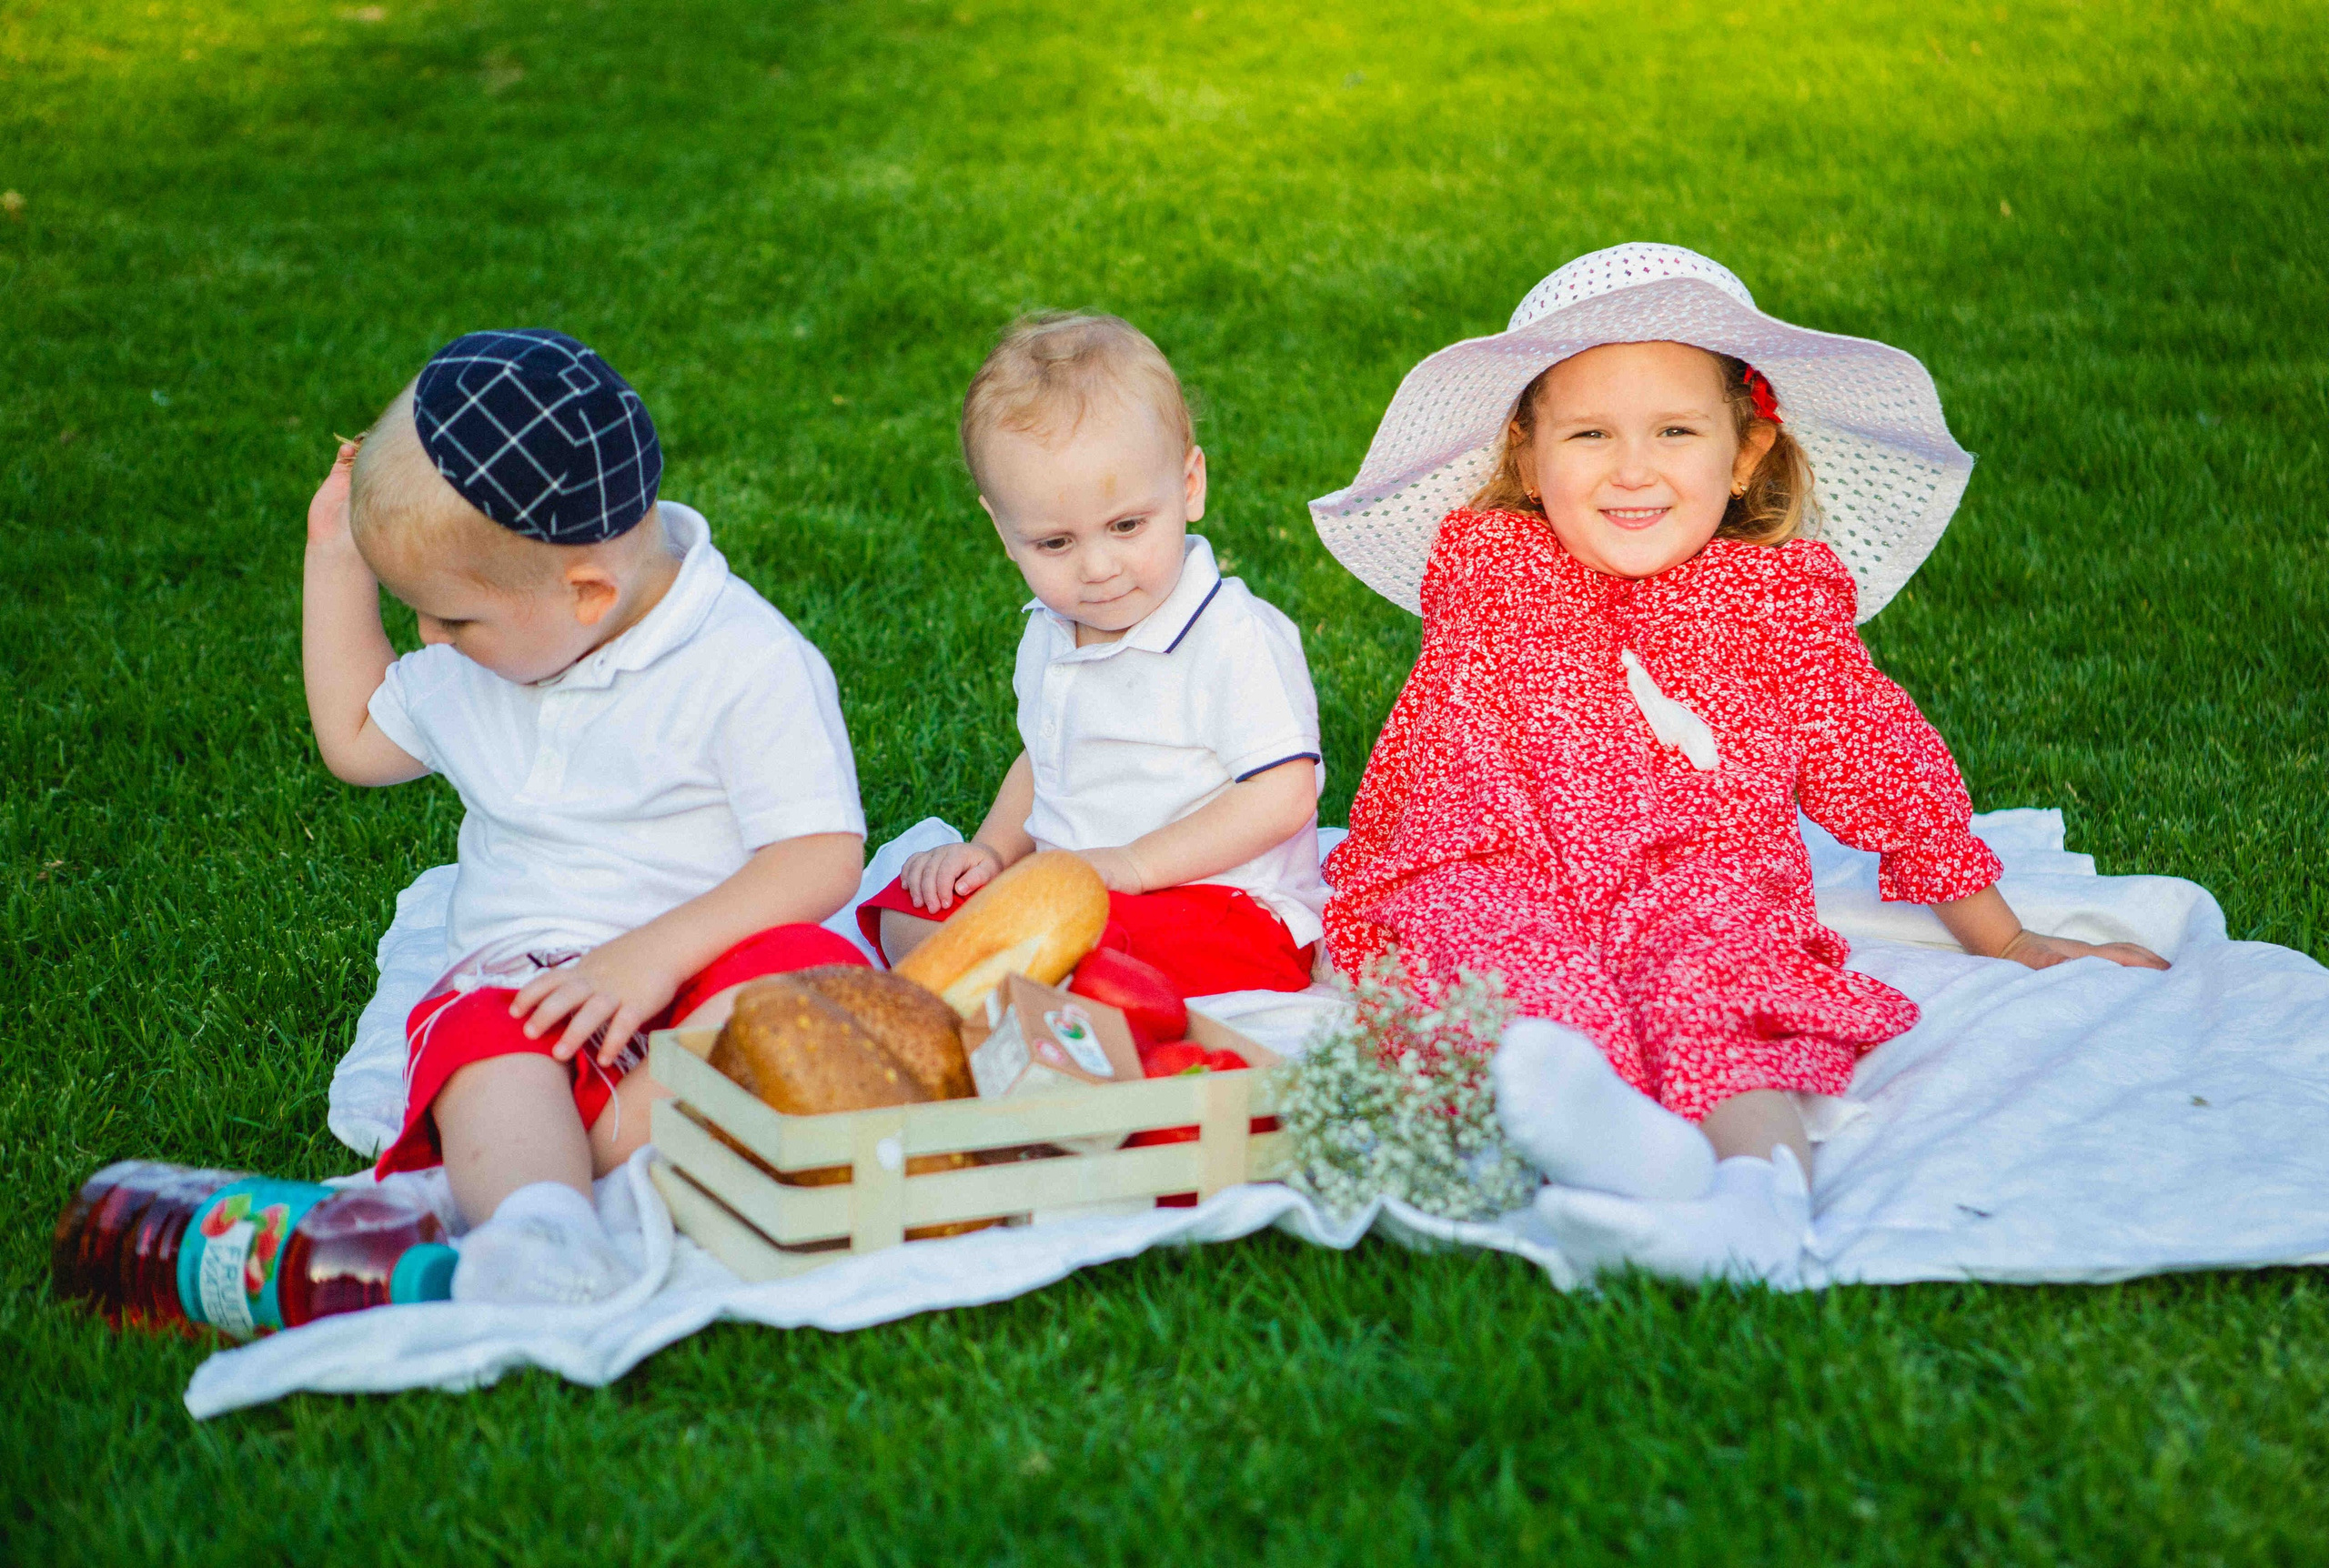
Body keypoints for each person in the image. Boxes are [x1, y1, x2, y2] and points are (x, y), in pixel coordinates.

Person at [1308, 245, 2168, 1282]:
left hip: (1700, 869)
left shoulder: (1774, 599)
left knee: (1715, 981)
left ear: (1747, 451)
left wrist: (2006, 934)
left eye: (1675, 430)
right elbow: (1430, 753)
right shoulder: (1493, 572)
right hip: (1512, 857)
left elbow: (1878, 759)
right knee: (1503, 971)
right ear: (1528, 458)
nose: (1633, 469)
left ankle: (1757, 1200)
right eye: (1590, 435)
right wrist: (1365, 912)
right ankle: (1624, 1150)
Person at [302, 329, 868, 1302]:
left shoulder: (746, 662)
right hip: (532, 983)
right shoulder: (495, 651)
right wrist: (335, 560)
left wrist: (655, 953)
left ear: (588, 593)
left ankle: (589, 1152)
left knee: (802, 987)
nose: (429, 640)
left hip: (701, 963)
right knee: (477, 1040)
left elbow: (820, 852)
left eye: (450, 618)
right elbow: (357, 737)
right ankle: (542, 1220)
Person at [858, 312, 1327, 998]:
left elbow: (1282, 796)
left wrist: (1133, 865)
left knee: (1098, 957)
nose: (1099, 568)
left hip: (1220, 906)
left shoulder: (1231, 636)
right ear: (1003, 529)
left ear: (1189, 486)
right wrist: (991, 851)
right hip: (1080, 894)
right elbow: (1046, 756)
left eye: (1127, 526)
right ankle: (1000, 998)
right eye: (1056, 543)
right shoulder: (1052, 628)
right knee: (908, 906)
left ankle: (1008, 1001)